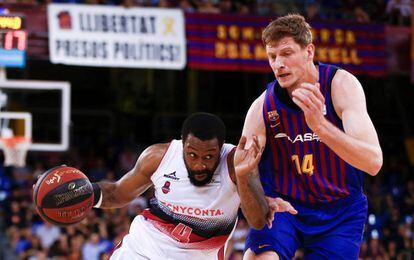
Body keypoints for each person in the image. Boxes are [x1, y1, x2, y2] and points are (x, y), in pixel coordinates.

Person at [234, 14, 383, 259]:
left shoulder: (341, 86)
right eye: (272, 57)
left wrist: (320, 127)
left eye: (286, 53)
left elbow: (373, 162)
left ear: (309, 51)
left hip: (339, 211)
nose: (278, 64)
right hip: (285, 206)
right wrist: (257, 195)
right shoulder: (261, 108)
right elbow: (246, 182)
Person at [91, 112, 297, 259]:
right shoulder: (158, 157)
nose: (200, 164)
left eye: (209, 156)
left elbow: (258, 221)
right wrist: (84, 192)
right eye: (192, 155)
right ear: (182, 143)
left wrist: (242, 177)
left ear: (221, 147)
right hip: (143, 249)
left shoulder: (236, 162)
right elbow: (116, 193)